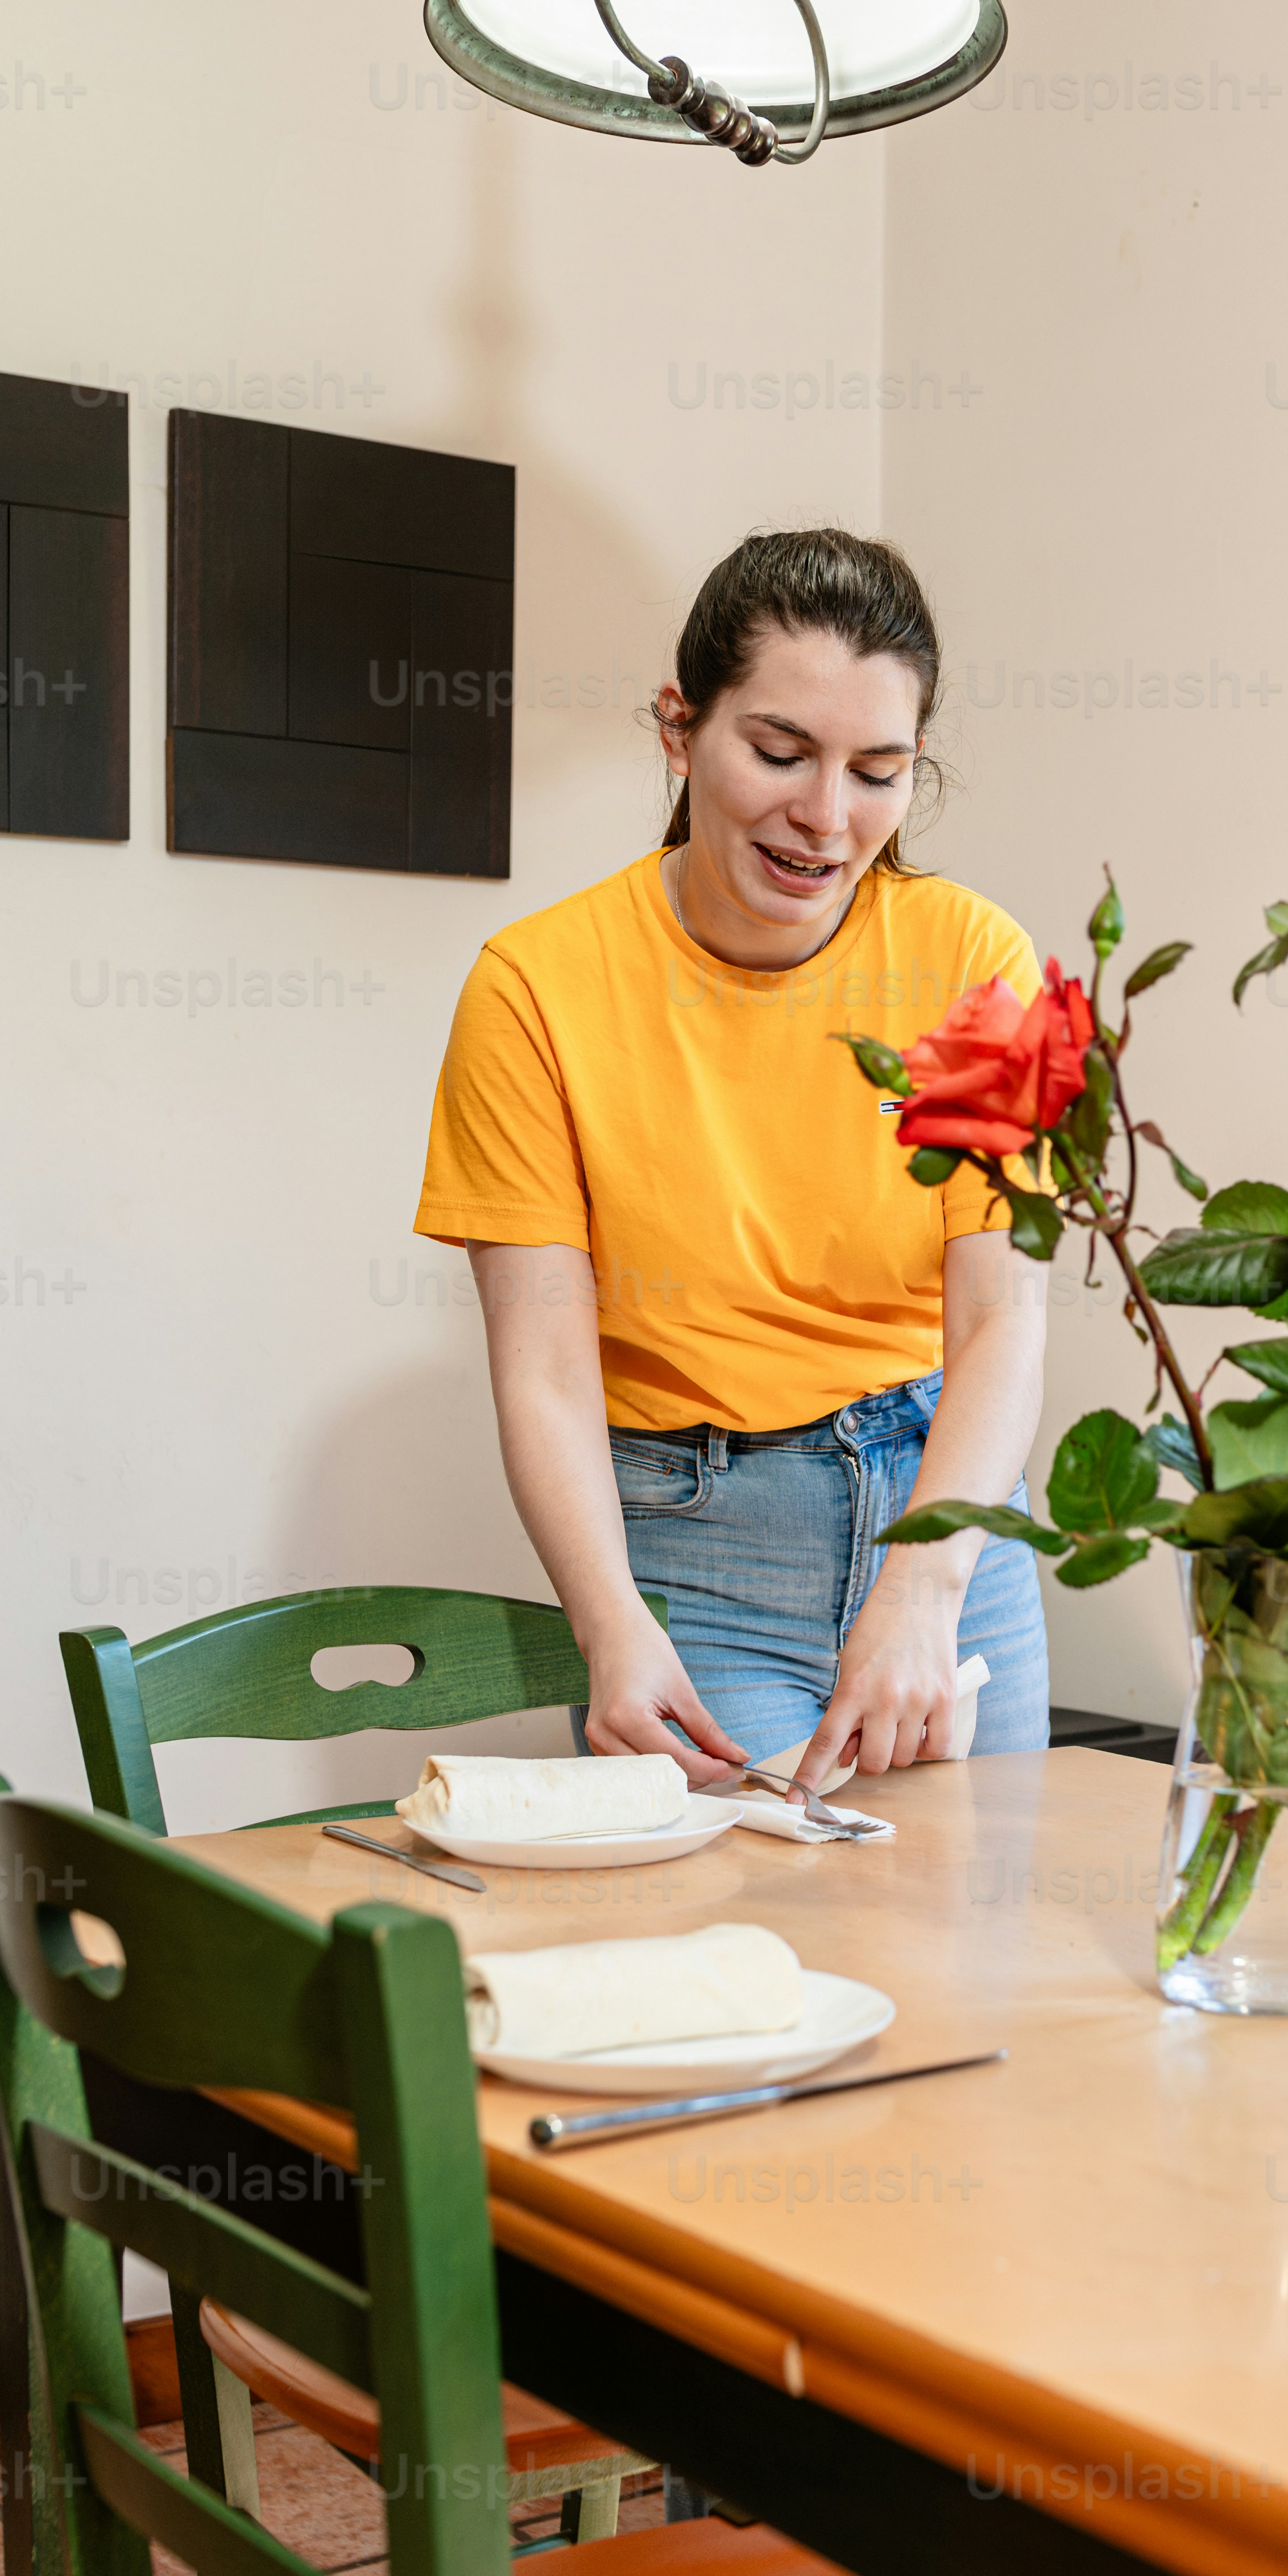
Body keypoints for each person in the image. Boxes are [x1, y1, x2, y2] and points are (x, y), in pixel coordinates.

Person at [414, 528, 1050, 1798]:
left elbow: (1000, 1313)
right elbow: (541, 1365)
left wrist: (926, 1584)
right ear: (677, 729)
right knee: (763, 1954)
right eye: (776, 753)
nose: (824, 817)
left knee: (976, 1958)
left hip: (943, 1522)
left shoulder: (973, 955)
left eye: (878, 772)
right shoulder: (536, 987)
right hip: (695, 1548)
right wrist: (608, 1624)